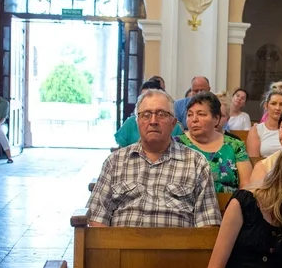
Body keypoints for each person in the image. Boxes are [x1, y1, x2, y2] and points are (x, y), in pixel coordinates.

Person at [86, 89, 221, 227]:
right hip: (121, 247)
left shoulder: (196, 163)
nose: (153, 121)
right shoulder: (114, 162)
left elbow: (208, 223)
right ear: (137, 122)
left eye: (161, 114)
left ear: (173, 123)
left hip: (177, 247)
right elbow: (97, 217)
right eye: (146, 115)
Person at [173, 92, 252, 194]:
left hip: (230, 206)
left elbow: (247, 186)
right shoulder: (175, 144)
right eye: (189, 114)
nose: (194, 119)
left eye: (201, 114)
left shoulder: (235, 146)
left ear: (216, 119)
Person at [115, 80, 184, 148]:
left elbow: (187, 144)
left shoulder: (176, 126)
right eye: (143, 97)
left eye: (161, 114)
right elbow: (120, 147)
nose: (153, 121)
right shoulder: (130, 123)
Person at [246, 89, 282, 157]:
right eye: (273, 103)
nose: (277, 108)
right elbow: (253, 160)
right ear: (266, 105)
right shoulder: (256, 130)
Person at [0, 86, 12, 164]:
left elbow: (4, 117)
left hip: (2, 124)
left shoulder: (5, 103)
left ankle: (9, 156)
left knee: (0, 132)